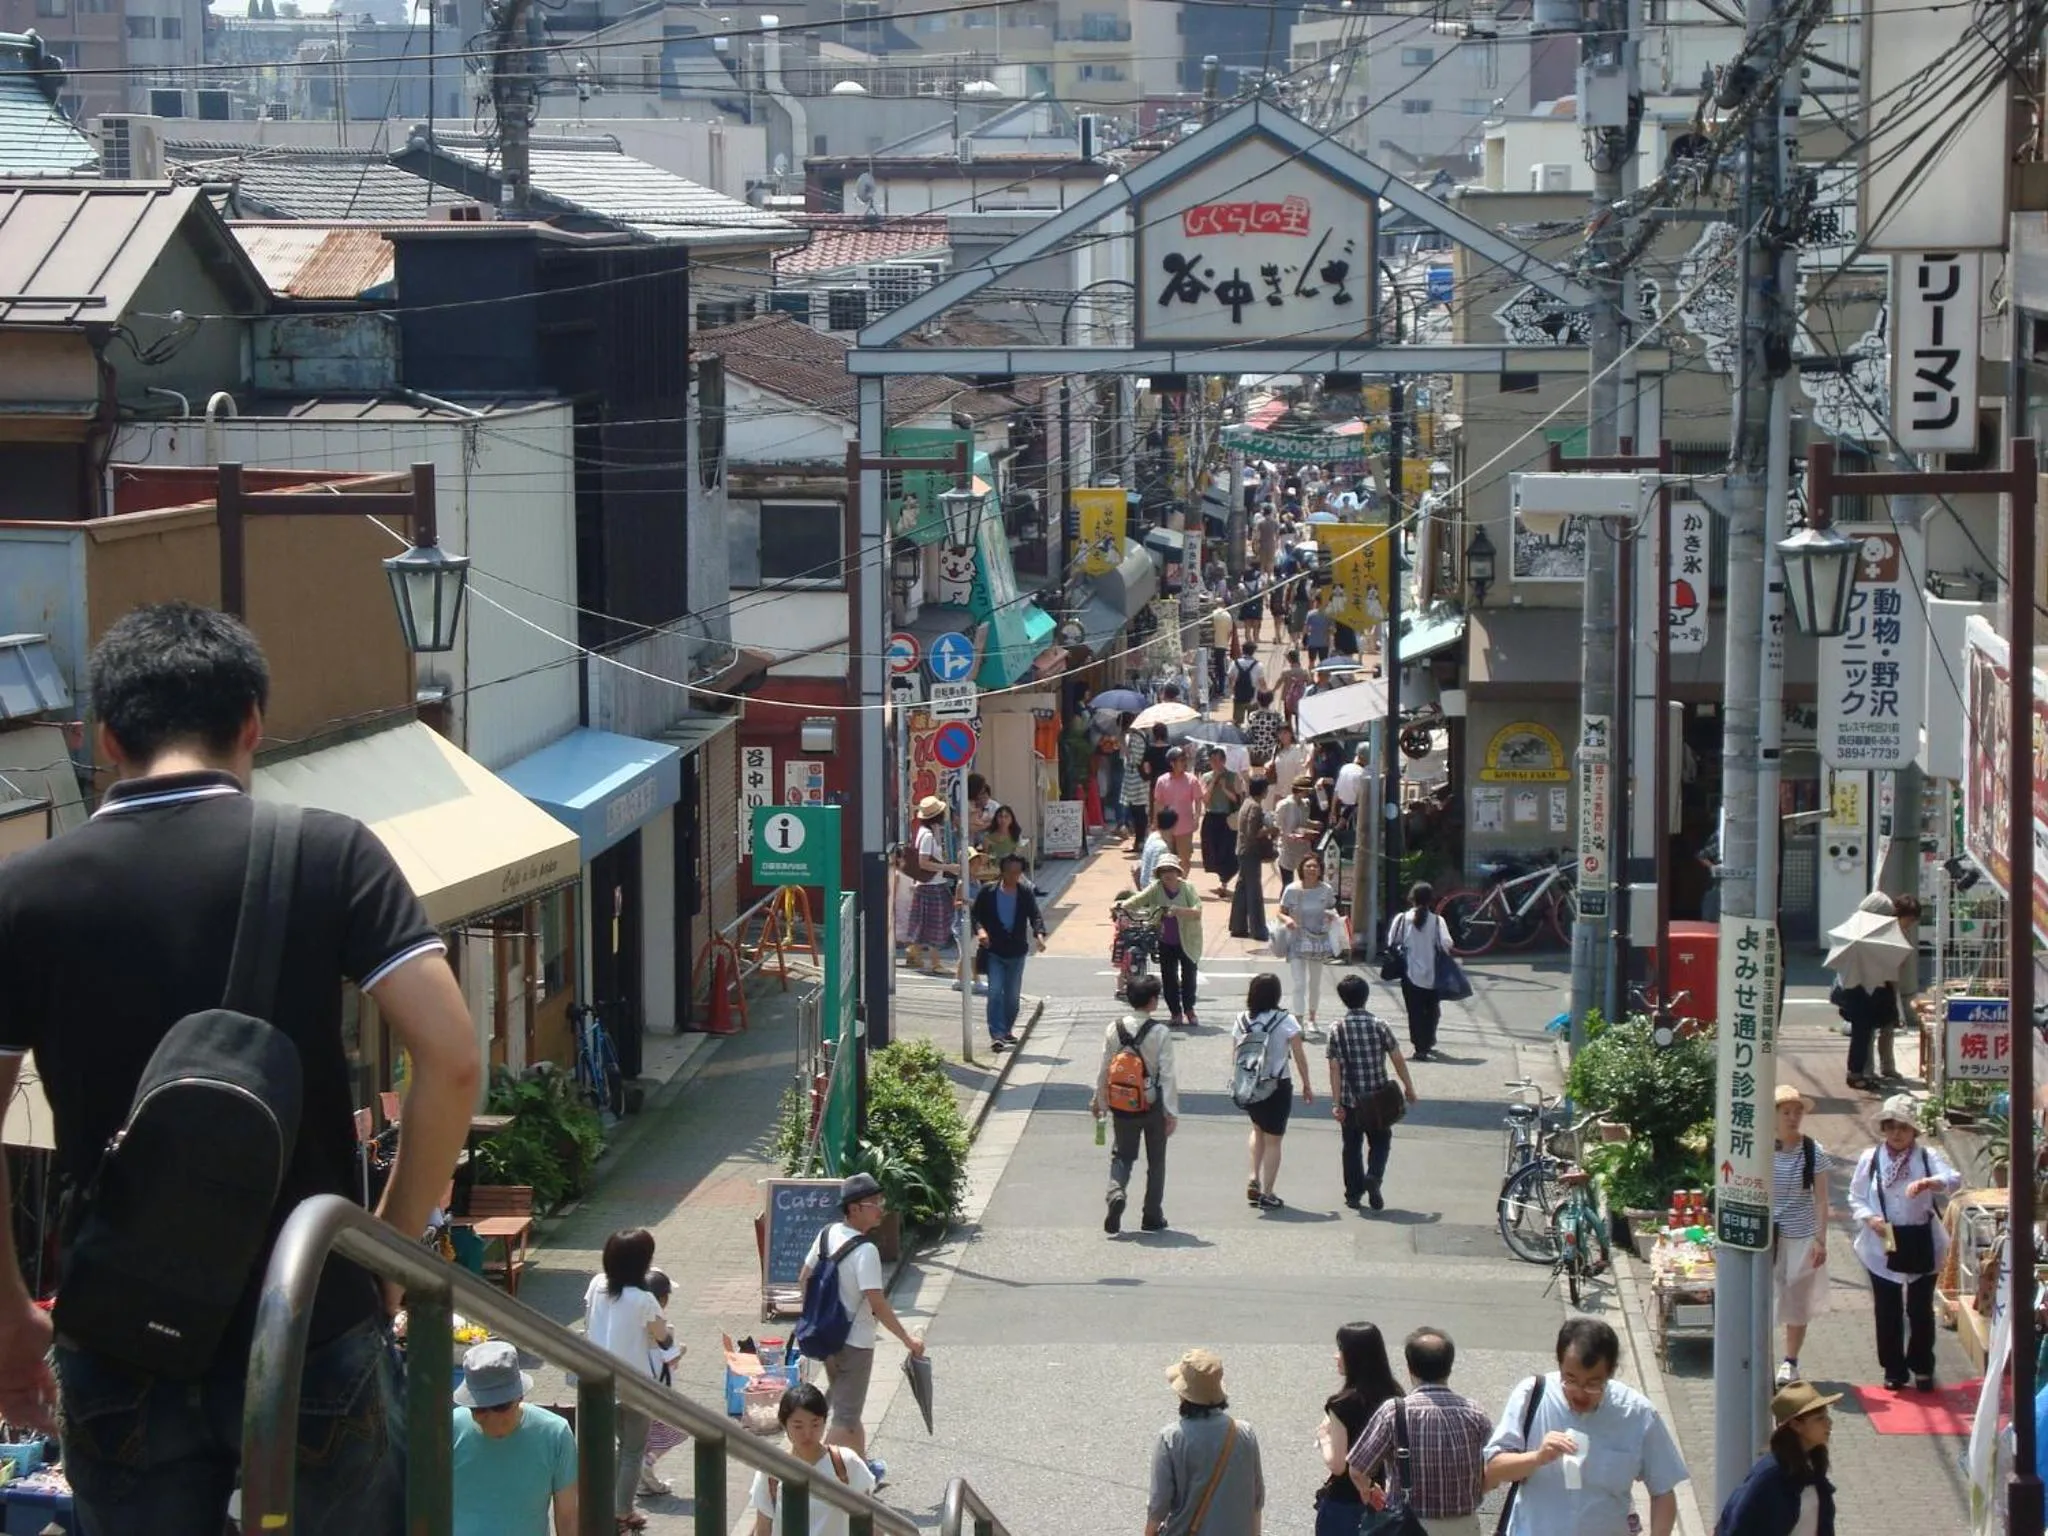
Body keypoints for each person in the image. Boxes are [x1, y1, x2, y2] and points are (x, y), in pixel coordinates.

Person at [0, 602, 479, 1535]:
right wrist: (385, 1245)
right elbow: (454, 1059)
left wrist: (10, 1311)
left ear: (107, 738)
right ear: (252, 723)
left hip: (119, 1329)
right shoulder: (328, 853)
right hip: (306, 1316)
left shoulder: (25, 892)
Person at [1483, 1318, 1685, 1536]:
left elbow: (1663, 1490)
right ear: (1559, 1365)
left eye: (1592, 1384)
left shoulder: (1637, 1414)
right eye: (1570, 1379)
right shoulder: (1532, 1396)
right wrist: (1537, 1457)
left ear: (1611, 1372)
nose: (1579, 1393)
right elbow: (1494, 1468)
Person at [796, 1173, 927, 1478]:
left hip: (827, 1339)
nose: (881, 1209)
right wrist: (908, 1339)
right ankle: (811, 1478)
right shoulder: (865, 1251)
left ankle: (863, 1471)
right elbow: (877, 1304)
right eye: (874, 1204)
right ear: (854, 1208)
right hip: (855, 1344)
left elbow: (804, 1278)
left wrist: (814, 1318)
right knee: (846, 1416)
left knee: (849, 1412)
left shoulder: (826, 1234)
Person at [1848, 1093, 1960, 1390]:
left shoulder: (1926, 1157)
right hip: (1882, 1243)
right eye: (1892, 1126)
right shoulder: (1870, 1158)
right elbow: (1856, 1196)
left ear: (1914, 1131)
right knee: (1887, 1309)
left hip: (1922, 1239)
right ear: (1884, 1129)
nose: (1897, 1133)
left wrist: (1930, 1182)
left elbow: (1953, 1179)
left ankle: (1922, 1366)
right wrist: (1870, 1219)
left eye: (1904, 1127)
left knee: (1920, 1309)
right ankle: (1893, 1369)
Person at [1348, 1327, 1493, 1536]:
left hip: (1409, 1526)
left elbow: (1357, 1470)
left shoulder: (1395, 1411)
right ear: (1449, 1367)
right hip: (1465, 1524)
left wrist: (1369, 1490)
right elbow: (1497, 1467)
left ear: (1410, 1368)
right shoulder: (1475, 1413)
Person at [583, 1229, 671, 1530]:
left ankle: (604, 1505)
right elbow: (663, 1338)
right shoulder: (643, 1299)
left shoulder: (597, 1284)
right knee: (633, 1450)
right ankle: (622, 1512)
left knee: (614, 1446)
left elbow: (588, 1321)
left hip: (597, 1381)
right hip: (635, 1385)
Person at [451, 1339, 579, 1536]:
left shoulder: (555, 1433)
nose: (488, 1418)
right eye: (477, 1408)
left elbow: (567, 1517)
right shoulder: (449, 1429)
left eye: (499, 1406)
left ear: (519, 1397)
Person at [1091, 974, 1178, 1234]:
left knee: (1122, 1155)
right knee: (1156, 1160)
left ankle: (1116, 1192)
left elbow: (1105, 1067)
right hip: (1151, 1104)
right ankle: (1152, 1215)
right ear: (1152, 1001)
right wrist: (1170, 1111)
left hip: (1122, 1103)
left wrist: (1100, 1100)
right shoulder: (1160, 1032)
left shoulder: (1114, 1028)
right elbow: (1168, 1074)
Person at [1146, 1350, 1264, 1536]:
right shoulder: (1244, 1433)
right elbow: (1256, 1500)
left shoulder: (1171, 1438)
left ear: (1183, 1395)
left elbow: (1158, 1505)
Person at [1326, 974, 1417, 1211]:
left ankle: (1353, 1194)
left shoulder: (1337, 1029)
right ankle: (1374, 1176)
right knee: (1381, 1140)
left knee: (1351, 1146)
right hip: (1378, 1099)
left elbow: (1334, 1068)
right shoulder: (1379, 1025)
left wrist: (1336, 1103)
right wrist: (1408, 1087)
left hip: (1350, 1099)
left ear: (1343, 1000)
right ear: (1366, 997)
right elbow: (1397, 1058)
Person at [747, 1383, 879, 1536]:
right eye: (798, 1426)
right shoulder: (771, 1471)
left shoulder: (845, 1463)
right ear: (784, 1424)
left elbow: (871, 1521)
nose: (807, 1433)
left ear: (824, 1422)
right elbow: (763, 1526)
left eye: (815, 1424)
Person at [1714, 1380, 1839, 1536]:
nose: (1829, 1423)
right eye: (1819, 1418)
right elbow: (1737, 1527)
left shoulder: (1812, 1465)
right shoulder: (1769, 1476)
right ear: (1796, 1425)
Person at [1233, 972, 1314, 1209]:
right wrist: (1307, 1084)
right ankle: (1268, 1192)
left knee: (1257, 1129)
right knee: (1274, 1140)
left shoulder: (1241, 1020)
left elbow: (1235, 1054)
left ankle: (1252, 1178)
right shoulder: (1285, 1021)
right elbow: (1299, 1056)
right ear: (1276, 995)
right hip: (1277, 1085)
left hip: (1249, 1084)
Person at [1313, 1323, 1403, 1536]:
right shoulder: (1396, 1395)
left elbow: (1338, 1465)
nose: (1336, 1356)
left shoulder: (1342, 1404)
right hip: (1387, 1500)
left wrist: (1324, 1437)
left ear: (1354, 1357)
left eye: (1341, 1350)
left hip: (1345, 1503)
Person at [1770, 1084, 1831, 1388]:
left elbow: (1821, 1199)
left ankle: (1790, 1361)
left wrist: (1821, 1239)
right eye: (1786, 1112)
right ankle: (1758, 1357)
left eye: (1797, 1112)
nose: (1793, 1117)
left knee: (1796, 1299)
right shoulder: (1757, 1149)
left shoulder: (1812, 1150)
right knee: (1765, 1295)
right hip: (1767, 1235)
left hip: (1801, 1235)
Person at [969, 854, 1047, 1052]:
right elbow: (976, 915)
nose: (1014, 876)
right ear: (1002, 872)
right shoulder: (988, 892)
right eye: (1011, 872)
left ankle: (1006, 1029)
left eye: (1018, 872)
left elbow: (1035, 915)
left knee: (1012, 997)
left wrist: (1039, 935)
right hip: (994, 950)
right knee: (994, 992)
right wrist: (980, 931)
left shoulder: (1025, 892)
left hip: (1017, 951)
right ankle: (997, 1034)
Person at [1121, 856, 1205, 1028]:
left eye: (1171, 870)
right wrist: (1122, 907)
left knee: (1189, 977)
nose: (1168, 874)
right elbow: (1137, 900)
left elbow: (1198, 911)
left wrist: (1179, 911)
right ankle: (1175, 1012)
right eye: (1164, 871)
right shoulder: (1156, 888)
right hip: (1165, 940)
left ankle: (1189, 1009)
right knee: (1168, 979)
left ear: (1177, 872)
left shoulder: (1187, 888)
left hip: (1188, 940)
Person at [1386, 882, 1454, 1059]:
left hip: (1409, 973)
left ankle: (1419, 1047)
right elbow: (1447, 944)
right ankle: (1428, 1041)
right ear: (1431, 900)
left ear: (1411, 898)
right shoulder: (1438, 921)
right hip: (1432, 973)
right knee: (1432, 1009)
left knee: (1414, 1011)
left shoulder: (1401, 919)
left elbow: (1392, 941)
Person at [1278, 851, 1341, 1031]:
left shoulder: (1326, 890)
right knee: (1299, 982)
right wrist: (1287, 920)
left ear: (1320, 870)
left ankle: (1312, 1018)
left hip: (1318, 940)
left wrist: (1331, 918)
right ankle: (1298, 1020)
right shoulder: (1292, 889)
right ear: (1302, 869)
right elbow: (1280, 911)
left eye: (1315, 866)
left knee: (1315, 981)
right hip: (1297, 940)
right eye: (1308, 866)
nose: (1312, 869)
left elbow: (1332, 909)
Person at [902, 795, 958, 976]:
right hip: (931, 886)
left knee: (926, 925)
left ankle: (914, 952)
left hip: (932, 884)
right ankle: (934, 963)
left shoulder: (930, 831)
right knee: (935, 925)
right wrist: (948, 867)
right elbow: (923, 863)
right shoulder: (926, 835)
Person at [1198, 747, 1245, 898]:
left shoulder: (1233, 776)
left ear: (1224, 761)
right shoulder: (1206, 777)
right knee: (1212, 850)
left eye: (1218, 761)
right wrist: (1213, 782)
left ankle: (1224, 882)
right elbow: (1204, 799)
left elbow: (1239, 800)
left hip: (1227, 819)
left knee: (1228, 851)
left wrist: (1224, 788)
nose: (1216, 764)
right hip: (1211, 817)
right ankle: (1221, 877)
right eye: (1212, 761)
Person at [1230, 778, 1272, 943]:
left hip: (1242, 850)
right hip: (1250, 852)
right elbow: (1252, 833)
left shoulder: (1247, 803)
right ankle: (1258, 929)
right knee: (1254, 891)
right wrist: (1271, 830)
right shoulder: (1254, 807)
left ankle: (1238, 926)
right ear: (1263, 791)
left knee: (1242, 889)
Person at [1152, 748, 1202, 867]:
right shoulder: (1162, 780)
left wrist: (1196, 819)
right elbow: (1158, 803)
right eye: (1181, 760)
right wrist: (1155, 823)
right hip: (1166, 828)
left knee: (1185, 859)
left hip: (1184, 827)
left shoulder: (1192, 780)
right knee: (1166, 860)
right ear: (1172, 763)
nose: (1184, 763)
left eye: (1185, 760)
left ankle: (1182, 882)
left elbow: (1198, 801)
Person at [1275, 774, 1316, 892]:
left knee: (1305, 883)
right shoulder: (1284, 805)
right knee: (1288, 884)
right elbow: (1278, 827)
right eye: (1306, 791)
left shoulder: (1305, 804)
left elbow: (1304, 822)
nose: (1308, 794)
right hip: (1287, 849)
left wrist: (1314, 824)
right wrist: (1289, 836)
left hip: (1302, 849)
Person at [1121, 716, 1153, 846]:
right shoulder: (1142, 735)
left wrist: (1127, 752)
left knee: (1138, 810)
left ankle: (1139, 840)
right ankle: (1139, 840)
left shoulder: (1135, 737)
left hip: (1136, 779)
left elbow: (1136, 759)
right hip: (1138, 778)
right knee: (1138, 809)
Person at [1138, 807, 1179, 891]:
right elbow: (1153, 878)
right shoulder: (1161, 848)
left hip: (1145, 885)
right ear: (1174, 825)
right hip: (1152, 892)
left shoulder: (1153, 836)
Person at [1334, 742, 1371, 828]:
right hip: (1355, 814)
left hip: (1341, 809)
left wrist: (1333, 812)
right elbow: (1360, 798)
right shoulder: (1363, 774)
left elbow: (1336, 793)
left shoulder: (1344, 768)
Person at [1228, 643, 1266, 726]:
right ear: (1254, 651)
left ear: (1243, 650)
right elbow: (1262, 682)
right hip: (1254, 698)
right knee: (1253, 723)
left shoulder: (1235, 663)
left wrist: (1232, 692)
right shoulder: (1258, 665)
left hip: (1238, 697)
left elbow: (1230, 679)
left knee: (1237, 723)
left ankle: (1238, 738)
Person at [1277, 651, 1310, 730]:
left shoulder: (1286, 672)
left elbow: (1279, 682)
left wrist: (1272, 691)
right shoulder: (1304, 671)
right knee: (1299, 716)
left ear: (1289, 660)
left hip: (1287, 697)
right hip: (1300, 696)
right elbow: (1309, 683)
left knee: (1288, 716)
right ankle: (1299, 732)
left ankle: (1289, 733)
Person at [1303, 594, 1333, 666]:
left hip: (1312, 642)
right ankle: (1322, 676)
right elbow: (1331, 630)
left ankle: (1311, 676)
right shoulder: (1329, 615)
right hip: (1324, 643)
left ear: (1317, 602)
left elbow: (1305, 629)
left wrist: (1304, 639)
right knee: (1324, 663)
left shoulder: (1310, 614)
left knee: (1311, 661)